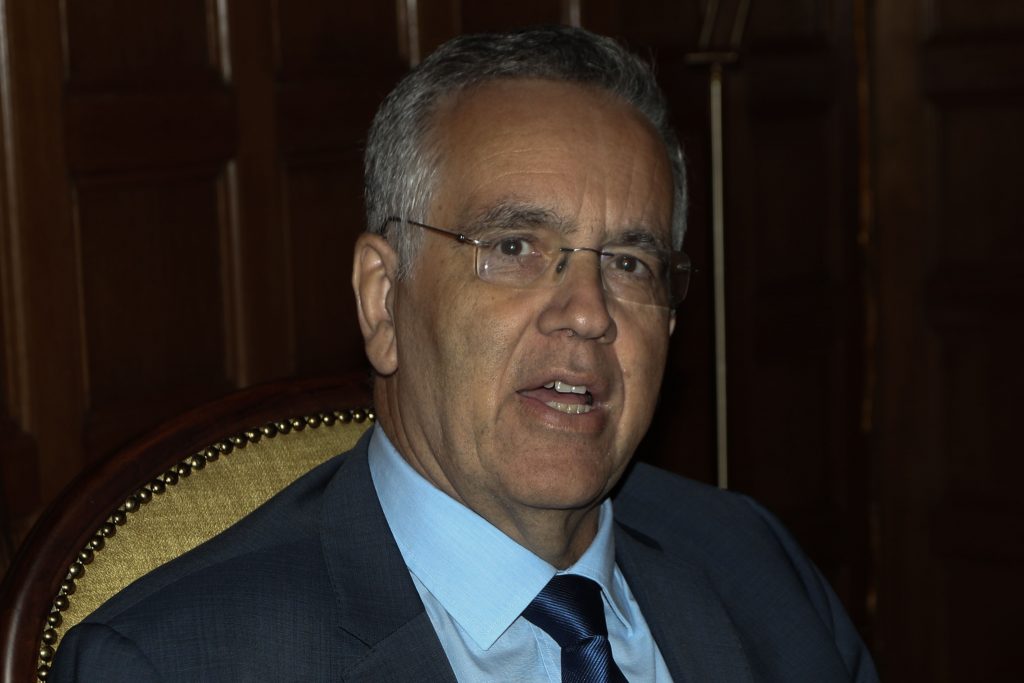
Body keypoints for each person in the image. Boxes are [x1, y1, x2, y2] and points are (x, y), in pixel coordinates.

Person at [53, 25, 879, 682]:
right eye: (514, 247)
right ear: (383, 299)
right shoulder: (177, 662)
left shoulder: (756, 568)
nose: (588, 313)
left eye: (630, 263)